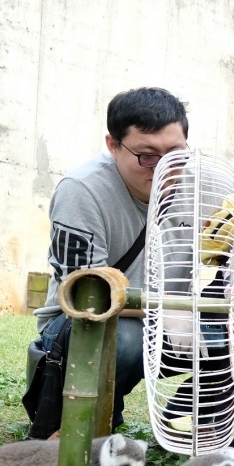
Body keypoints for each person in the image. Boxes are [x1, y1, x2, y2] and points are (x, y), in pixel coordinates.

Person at [34, 87, 189, 430]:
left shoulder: (200, 188)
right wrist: (165, 310)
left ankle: (207, 434)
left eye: (175, 154)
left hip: (165, 317)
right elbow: (86, 295)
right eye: (147, 155)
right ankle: (75, 417)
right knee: (124, 338)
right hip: (82, 324)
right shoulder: (83, 189)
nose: (163, 167)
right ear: (113, 145)